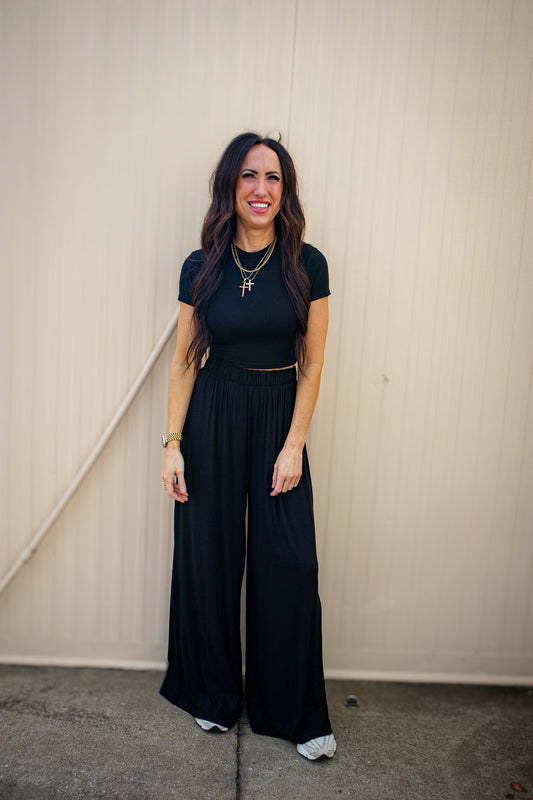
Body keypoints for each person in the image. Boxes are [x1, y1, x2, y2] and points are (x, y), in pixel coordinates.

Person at [159, 132, 336, 760]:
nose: (261, 190)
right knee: (209, 557)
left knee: (288, 564)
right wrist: (173, 443)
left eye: (273, 178)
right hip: (212, 413)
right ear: (230, 187)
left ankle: (294, 712)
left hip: (276, 415)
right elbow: (184, 361)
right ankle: (213, 694)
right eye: (249, 177)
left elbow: (312, 366)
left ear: (284, 192)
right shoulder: (200, 264)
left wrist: (295, 444)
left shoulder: (305, 264)